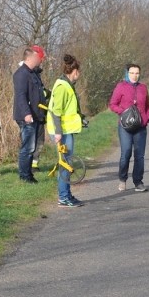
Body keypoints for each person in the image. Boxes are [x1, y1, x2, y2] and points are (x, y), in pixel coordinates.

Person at [47, 54, 85, 207]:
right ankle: (63, 197)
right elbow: (56, 111)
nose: (79, 74)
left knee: (67, 162)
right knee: (65, 164)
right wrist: (57, 133)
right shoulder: (63, 87)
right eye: (78, 71)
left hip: (66, 129)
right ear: (74, 70)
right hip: (61, 131)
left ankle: (67, 195)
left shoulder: (67, 84)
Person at [109, 64, 149, 192]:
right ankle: (122, 179)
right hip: (125, 126)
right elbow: (113, 104)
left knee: (139, 155)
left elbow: (148, 105)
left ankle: (138, 181)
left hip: (140, 126)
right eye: (132, 73)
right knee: (126, 153)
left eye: (137, 73)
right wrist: (123, 112)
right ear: (127, 73)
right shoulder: (121, 86)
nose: (135, 75)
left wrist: (147, 117)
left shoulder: (143, 87)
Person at [12, 47, 47, 183]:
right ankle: (24, 176)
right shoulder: (21, 74)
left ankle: (29, 174)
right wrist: (27, 114)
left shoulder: (33, 74)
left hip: (36, 116)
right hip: (26, 117)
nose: (39, 60)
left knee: (32, 147)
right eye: (37, 58)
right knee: (28, 147)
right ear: (29, 58)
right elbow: (21, 96)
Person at [29, 45, 49, 172]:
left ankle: (34, 165)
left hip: (40, 113)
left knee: (39, 140)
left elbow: (41, 92)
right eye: (40, 59)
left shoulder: (36, 74)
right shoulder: (27, 73)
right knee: (31, 141)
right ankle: (29, 165)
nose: (41, 61)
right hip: (32, 114)